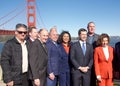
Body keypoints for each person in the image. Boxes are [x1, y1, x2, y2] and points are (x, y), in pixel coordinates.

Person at [86, 22, 99, 86]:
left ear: (95, 28)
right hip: (85, 61)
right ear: (87, 27)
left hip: (96, 61)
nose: (92, 28)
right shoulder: (84, 36)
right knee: (86, 80)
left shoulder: (98, 37)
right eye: (90, 26)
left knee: (94, 80)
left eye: (93, 26)